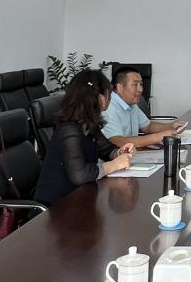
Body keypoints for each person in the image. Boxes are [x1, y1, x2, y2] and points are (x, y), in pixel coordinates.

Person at [34, 70, 135, 207]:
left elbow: (105, 149)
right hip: (55, 208)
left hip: (79, 199)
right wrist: (113, 165)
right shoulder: (69, 130)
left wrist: (119, 153)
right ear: (101, 98)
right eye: (109, 94)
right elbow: (79, 175)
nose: (110, 98)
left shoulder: (87, 123)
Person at [102, 66, 186, 148]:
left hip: (133, 152)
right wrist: (157, 137)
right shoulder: (107, 107)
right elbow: (119, 141)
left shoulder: (131, 103)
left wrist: (171, 126)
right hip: (116, 156)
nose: (140, 89)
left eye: (141, 84)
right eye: (135, 84)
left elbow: (147, 126)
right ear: (120, 88)